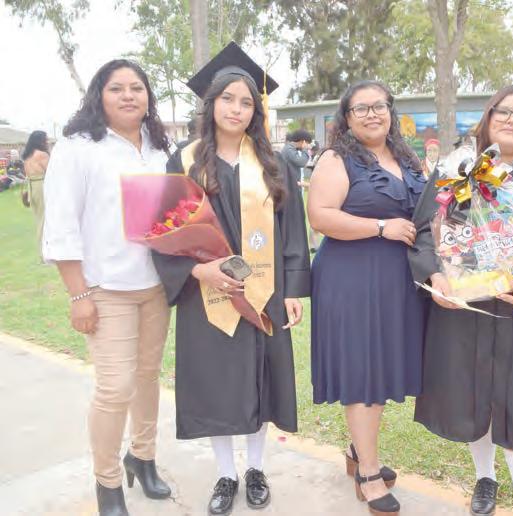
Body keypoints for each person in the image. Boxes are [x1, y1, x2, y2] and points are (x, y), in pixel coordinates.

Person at [152, 42, 310, 515]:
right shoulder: (184, 161)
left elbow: (293, 229)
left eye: (246, 102)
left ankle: (256, 468)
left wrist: (294, 289)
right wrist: (197, 270)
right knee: (218, 383)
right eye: (228, 99)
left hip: (265, 291)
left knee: (263, 379)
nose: (237, 109)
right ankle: (226, 473)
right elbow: (165, 231)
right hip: (206, 293)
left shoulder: (273, 163)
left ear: (255, 111)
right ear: (211, 103)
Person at [409, 85, 513, 516]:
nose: (512, 120)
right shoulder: (455, 167)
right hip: (466, 304)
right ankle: (485, 477)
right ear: (488, 117)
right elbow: (425, 231)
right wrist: (436, 277)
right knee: (472, 395)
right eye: (504, 111)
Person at [42, 59, 173, 516]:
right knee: (115, 388)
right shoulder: (78, 148)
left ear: (148, 97)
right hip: (105, 288)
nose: (128, 95)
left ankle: (143, 456)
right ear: (99, 95)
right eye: (117, 88)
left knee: (148, 378)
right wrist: (79, 295)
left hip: (156, 285)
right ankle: (108, 482)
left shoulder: (159, 148)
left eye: (137, 87)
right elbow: (61, 227)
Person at [308, 80, 426, 516]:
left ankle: (358, 452)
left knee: (379, 369)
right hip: (351, 279)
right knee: (363, 372)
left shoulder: (407, 158)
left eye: (379, 106)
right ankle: (368, 474)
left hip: (396, 282)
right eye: (361, 108)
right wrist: (380, 227)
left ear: (391, 111)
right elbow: (320, 216)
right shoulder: (336, 159)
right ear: (347, 117)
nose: (372, 114)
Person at [21, 130, 50, 255]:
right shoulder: (42, 155)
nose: (47, 142)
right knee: (46, 219)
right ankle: (45, 251)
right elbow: (51, 172)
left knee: (40, 219)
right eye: (46, 139)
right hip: (42, 185)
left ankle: (43, 250)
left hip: (32, 186)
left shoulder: (27, 156)